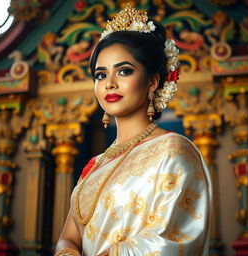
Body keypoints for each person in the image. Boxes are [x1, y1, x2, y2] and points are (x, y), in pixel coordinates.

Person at [54, 4, 212, 256]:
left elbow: (171, 240)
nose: (110, 84)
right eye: (100, 75)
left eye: (124, 71)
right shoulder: (96, 165)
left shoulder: (173, 151)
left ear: (152, 82)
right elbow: (68, 237)